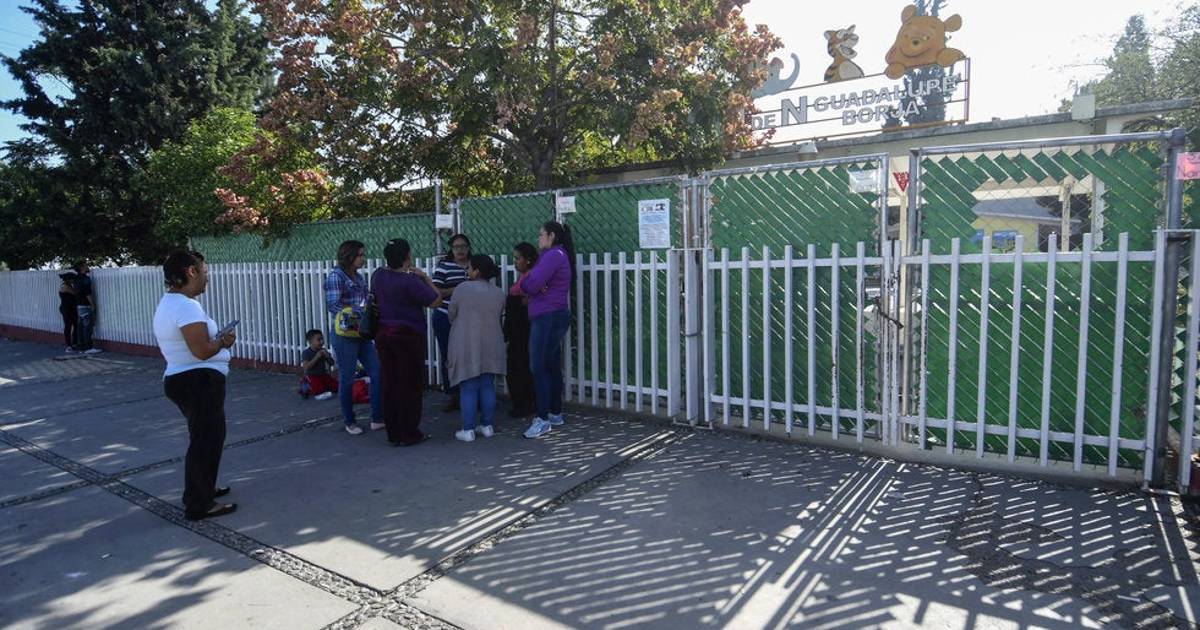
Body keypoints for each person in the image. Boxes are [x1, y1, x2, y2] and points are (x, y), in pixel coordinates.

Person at [152, 250, 238, 521]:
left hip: (186, 380)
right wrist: (223, 341)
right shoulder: (186, 306)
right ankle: (199, 503)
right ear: (191, 271)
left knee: (206, 438)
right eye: (205, 271)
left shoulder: (171, 303)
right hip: (198, 381)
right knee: (206, 441)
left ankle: (204, 488)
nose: (207, 277)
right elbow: (201, 351)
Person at [371, 238, 442, 446]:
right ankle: (409, 432)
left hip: (384, 334)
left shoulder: (378, 275)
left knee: (390, 383)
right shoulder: (410, 281)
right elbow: (436, 300)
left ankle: (394, 433)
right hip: (408, 336)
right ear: (407, 256)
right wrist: (425, 277)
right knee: (409, 385)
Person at [518, 221, 575, 439]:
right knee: (550, 364)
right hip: (554, 314)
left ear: (551, 236)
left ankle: (542, 419)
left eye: (541, 234)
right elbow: (536, 283)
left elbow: (530, 284)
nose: (538, 238)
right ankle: (555, 412)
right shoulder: (558, 255)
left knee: (538, 366)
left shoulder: (553, 256)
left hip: (546, 316)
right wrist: (536, 284)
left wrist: (530, 284)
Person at [324, 240, 383, 435]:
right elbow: (333, 305)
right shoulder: (336, 276)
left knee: (376, 372)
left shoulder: (357, 276)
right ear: (349, 256)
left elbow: (365, 299)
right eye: (360, 255)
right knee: (347, 377)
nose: (363, 258)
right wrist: (357, 312)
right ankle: (349, 421)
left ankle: (377, 418)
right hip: (344, 334)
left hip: (362, 331)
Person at [448, 255, 507, 442]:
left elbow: (452, 313)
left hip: (466, 342)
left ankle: (468, 429)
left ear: (476, 271)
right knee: (487, 384)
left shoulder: (462, 289)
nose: (467, 271)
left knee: (468, 385)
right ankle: (487, 425)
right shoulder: (499, 293)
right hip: (492, 342)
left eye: (469, 268)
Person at [432, 233, 471, 412]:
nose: (460, 250)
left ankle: (467, 393)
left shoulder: (474, 265)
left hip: (468, 318)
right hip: (445, 316)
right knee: (448, 356)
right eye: (456, 247)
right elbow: (436, 291)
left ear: (468, 248)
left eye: (463, 246)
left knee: (467, 355)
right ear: (451, 249)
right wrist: (459, 288)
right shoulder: (445, 266)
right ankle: (451, 394)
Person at [504, 243, 538, 417]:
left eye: (518, 258)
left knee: (519, 366)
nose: (515, 262)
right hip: (518, 328)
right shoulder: (523, 277)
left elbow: (528, 301)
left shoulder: (531, 278)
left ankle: (524, 403)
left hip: (523, 329)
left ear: (528, 260)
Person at [72, 262, 102, 354]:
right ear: (82, 268)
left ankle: (81, 347)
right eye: (85, 266)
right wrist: (92, 304)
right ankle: (88, 347)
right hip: (85, 305)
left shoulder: (75, 279)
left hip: (79, 305)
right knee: (87, 327)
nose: (87, 267)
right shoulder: (85, 279)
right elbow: (87, 292)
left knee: (80, 327)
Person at [299, 329, 338, 399]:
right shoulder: (306, 353)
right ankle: (306, 386)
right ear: (310, 342)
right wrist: (317, 357)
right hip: (312, 376)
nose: (321, 342)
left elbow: (332, 363)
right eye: (318, 340)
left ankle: (320, 387)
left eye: (322, 339)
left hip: (323, 375)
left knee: (337, 387)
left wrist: (328, 356)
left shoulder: (323, 350)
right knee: (319, 391)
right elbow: (306, 367)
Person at [58, 271, 78, 353]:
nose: (74, 281)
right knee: (68, 326)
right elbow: (75, 293)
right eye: (73, 279)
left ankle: (74, 343)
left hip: (71, 308)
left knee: (75, 325)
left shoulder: (68, 285)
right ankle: (69, 345)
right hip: (66, 309)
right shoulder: (65, 286)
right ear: (68, 279)